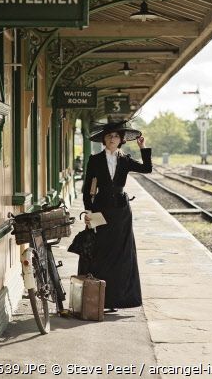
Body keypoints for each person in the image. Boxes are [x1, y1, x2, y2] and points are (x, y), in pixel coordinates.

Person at [78, 120, 152, 311]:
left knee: (121, 255)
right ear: (104, 139)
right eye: (110, 136)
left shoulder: (125, 160)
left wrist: (143, 147)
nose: (113, 138)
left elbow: (147, 169)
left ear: (121, 140)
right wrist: (88, 211)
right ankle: (100, 298)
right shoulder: (94, 159)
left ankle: (118, 299)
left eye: (116, 136)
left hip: (121, 212)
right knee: (101, 253)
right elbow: (87, 190)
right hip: (101, 209)